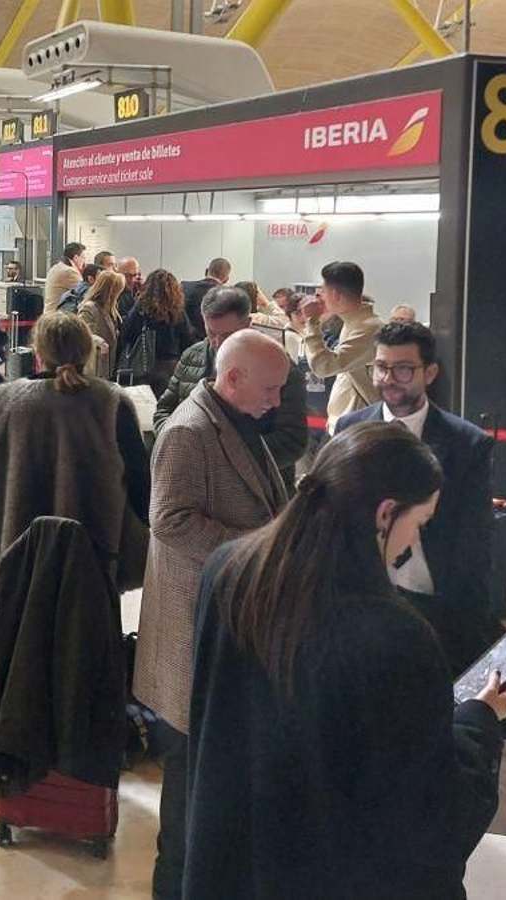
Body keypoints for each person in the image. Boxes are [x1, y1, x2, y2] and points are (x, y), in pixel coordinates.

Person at [186, 422, 506, 898]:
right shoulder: (394, 635)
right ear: (384, 514)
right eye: (418, 524)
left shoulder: (229, 571)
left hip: (237, 860)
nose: (409, 543)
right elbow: (429, 821)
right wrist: (478, 718)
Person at [137, 330, 292, 899]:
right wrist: (261, 547)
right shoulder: (187, 431)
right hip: (191, 639)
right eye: (271, 388)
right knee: (183, 809)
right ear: (233, 378)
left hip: (226, 628)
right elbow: (171, 522)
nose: (277, 400)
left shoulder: (237, 420)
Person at [335, 322, 498, 671]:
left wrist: (469, 625)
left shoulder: (467, 444)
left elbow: (474, 544)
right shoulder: (350, 430)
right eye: (380, 367)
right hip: (361, 600)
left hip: (436, 603)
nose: (388, 378)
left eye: (403, 369)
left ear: (430, 372)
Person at [0, 311, 150, 592]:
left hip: (20, 559)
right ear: (88, 351)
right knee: (87, 633)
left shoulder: (3, 401)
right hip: (94, 561)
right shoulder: (110, 402)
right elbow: (139, 482)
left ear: (38, 352)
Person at [156, 287, 309, 480]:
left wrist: (222, 457)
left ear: (247, 323)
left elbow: (292, 441)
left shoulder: (277, 367)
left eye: (227, 334)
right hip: (193, 479)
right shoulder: (192, 356)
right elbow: (164, 409)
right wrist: (177, 443)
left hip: (259, 487)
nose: (217, 342)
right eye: (211, 332)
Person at [300, 260, 383, 432]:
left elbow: (323, 366)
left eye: (323, 291)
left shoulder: (369, 328)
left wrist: (312, 322)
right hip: (347, 422)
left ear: (336, 294)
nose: (320, 297)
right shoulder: (355, 322)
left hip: (357, 426)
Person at [118, 268, 194, 396]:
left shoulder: (141, 309)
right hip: (171, 366)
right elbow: (187, 339)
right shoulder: (177, 311)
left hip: (144, 364)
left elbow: (126, 334)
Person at [180, 257, 231, 333]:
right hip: (211, 342)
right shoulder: (229, 296)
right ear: (227, 280)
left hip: (183, 340)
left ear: (206, 271)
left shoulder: (184, 287)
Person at [43, 241, 88, 312]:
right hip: (58, 318)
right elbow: (86, 293)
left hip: (50, 315)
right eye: (83, 258)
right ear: (76, 257)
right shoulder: (70, 272)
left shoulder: (57, 267)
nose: (85, 262)